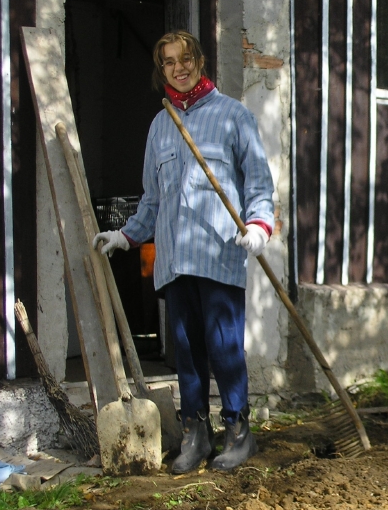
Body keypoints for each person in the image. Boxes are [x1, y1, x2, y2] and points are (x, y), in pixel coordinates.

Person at [93, 31, 275, 473]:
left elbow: (258, 182)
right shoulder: (160, 124)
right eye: (169, 62)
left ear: (200, 61)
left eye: (185, 58)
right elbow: (152, 198)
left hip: (218, 252)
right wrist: (126, 236)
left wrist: (258, 225)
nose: (179, 67)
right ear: (163, 70)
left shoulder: (233, 116)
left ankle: (238, 431)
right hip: (174, 258)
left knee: (223, 345)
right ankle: (196, 435)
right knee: (187, 350)